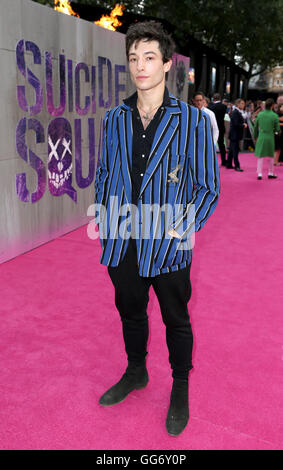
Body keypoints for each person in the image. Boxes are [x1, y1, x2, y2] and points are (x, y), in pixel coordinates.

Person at [94, 21, 220, 437]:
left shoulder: (194, 121)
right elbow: (104, 173)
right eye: (133, 58)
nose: (140, 66)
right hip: (122, 240)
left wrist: (179, 230)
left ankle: (180, 385)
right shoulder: (114, 117)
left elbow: (207, 188)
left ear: (168, 64)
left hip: (167, 243)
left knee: (175, 318)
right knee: (130, 312)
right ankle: (136, 371)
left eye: (149, 57)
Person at [254, 98, 280, 179]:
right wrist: (275, 131)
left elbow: (255, 127)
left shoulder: (260, 115)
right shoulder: (275, 115)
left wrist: (255, 136)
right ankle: (270, 172)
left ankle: (259, 174)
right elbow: (277, 129)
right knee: (271, 155)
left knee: (260, 155)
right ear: (272, 106)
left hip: (261, 136)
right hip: (270, 136)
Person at [226, 98, 247, 171]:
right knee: (235, 151)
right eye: (242, 103)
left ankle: (228, 164)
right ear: (237, 104)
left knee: (232, 150)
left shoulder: (237, 112)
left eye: (243, 103)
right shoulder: (236, 112)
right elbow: (235, 124)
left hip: (234, 134)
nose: (243, 105)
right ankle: (237, 166)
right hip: (235, 135)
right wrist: (243, 125)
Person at [208, 93, 227, 166]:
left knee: (211, 144)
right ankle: (223, 161)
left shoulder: (211, 107)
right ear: (220, 98)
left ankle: (210, 160)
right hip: (221, 127)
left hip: (213, 127)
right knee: (221, 145)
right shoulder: (224, 106)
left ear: (213, 98)